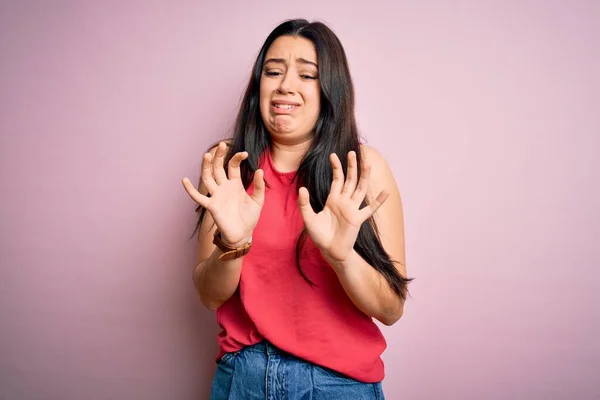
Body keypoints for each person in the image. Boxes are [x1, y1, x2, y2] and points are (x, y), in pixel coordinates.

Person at [181, 18, 412, 400]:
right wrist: (233, 244)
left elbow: (390, 309)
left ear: (329, 91)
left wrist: (342, 258)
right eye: (273, 71)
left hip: (337, 384)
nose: (285, 85)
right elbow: (209, 295)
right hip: (243, 377)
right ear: (259, 85)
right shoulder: (230, 167)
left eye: (307, 75)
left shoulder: (362, 170)